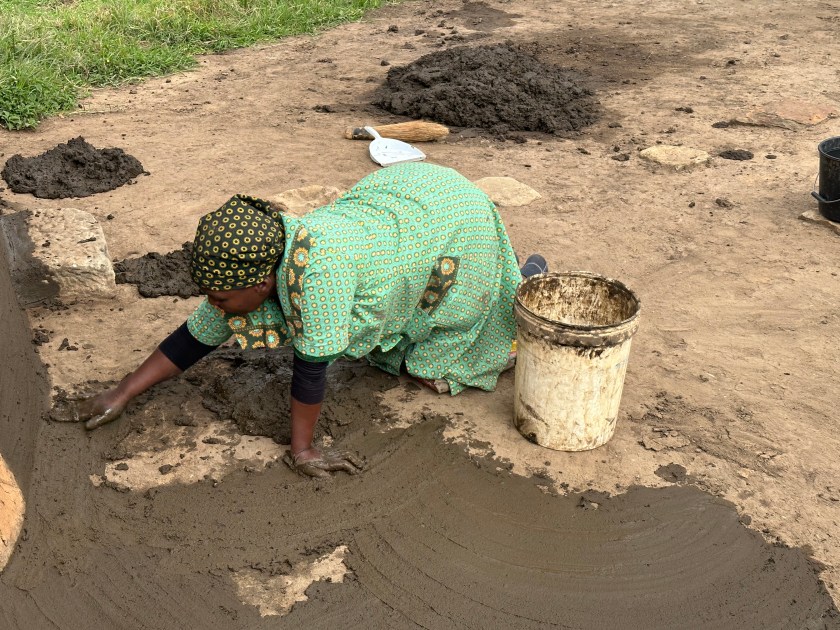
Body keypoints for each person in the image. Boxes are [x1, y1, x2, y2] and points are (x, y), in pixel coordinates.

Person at [75, 162, 547, 477]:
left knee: (433, 371)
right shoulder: (259, 260)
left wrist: (303, 451)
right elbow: (196, 336)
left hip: (448, 220)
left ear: (261, 285)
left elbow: (311, 369)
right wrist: (122, 392)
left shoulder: (319, 278)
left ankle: (521, 285)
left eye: (219, 297)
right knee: (388, 351)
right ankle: (503, 286)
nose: (214, 305)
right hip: (400, 199)